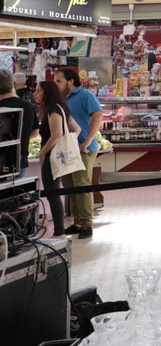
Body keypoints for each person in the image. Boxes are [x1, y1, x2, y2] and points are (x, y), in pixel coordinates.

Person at [55, 68, 100, 235]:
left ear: (71, 81)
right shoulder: (60, 99)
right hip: (67, 149)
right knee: (70, 185)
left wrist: (88, 139)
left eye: (59, 81)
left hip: (84, 148)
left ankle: (87, 224)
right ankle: (77, 221)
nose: (56, 84)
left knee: (82, 185)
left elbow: (97, 115)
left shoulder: (85, 95)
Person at [35, 80, 79, 237]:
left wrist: (43, 152)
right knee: (54, 193)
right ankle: (59, 229)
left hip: (52, 158)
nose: (35, 94)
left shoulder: (53, 110)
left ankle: (59, 230)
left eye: (38, 91)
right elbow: (77, 129)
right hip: (58, 156)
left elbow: (57, 134)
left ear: (47, 93)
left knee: (52, 193)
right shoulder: (61, 108)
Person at [0, 70, 38, 175]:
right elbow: (35, 132)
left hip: (2, 161)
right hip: (21, 160)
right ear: (12, 84)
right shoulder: (28, 106)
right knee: (19, 191)